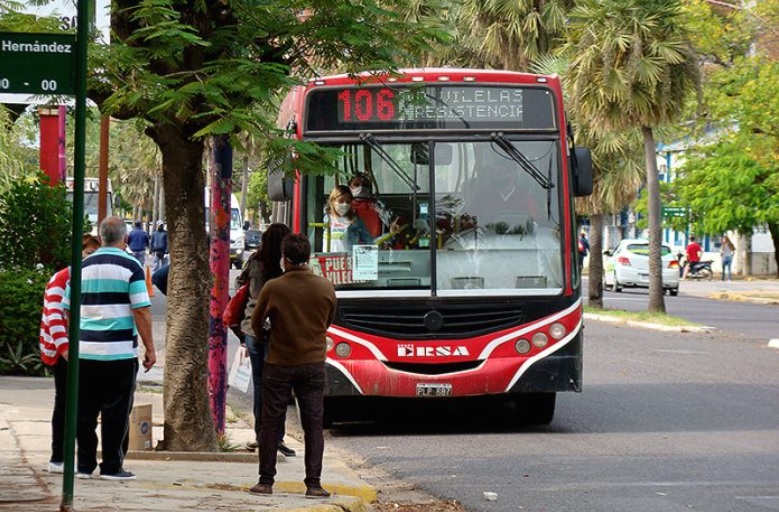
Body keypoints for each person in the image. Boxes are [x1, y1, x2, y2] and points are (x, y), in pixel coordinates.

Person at [63, 216, 157, 480]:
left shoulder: (81, 267)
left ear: (101, 236)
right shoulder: (132, 266)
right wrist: (150, 348)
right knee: (116, 412)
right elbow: (141, 308)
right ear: (125, 238)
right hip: (119, 354)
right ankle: (112, 466)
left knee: (84, 411)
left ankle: (83, 465)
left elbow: (68, 310)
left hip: (84, 352)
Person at [249, 233, 336, 498]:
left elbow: (255, 322)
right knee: (313, 424)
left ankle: (265, 481)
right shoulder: (325, 287)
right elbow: (328, 320)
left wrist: (268, 336)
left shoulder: (274, 287)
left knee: (270, 421)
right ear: (308, 258)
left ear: (284, 258)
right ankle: (314, 483)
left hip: (279, 362)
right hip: (312, 364)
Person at [39, 234, 101, 474]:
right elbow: (54, 317)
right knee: (65, 403)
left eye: (95, 254)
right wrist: (66, 350)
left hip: (81, 350)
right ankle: (58, 457)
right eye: (88, 254)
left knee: (78, 404)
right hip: (62, 352)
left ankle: (70, 457)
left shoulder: (85, 277)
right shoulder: (63, 278)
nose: (91, 259)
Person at [236, 223, 296, 457]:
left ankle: (262, 435)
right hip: (281, 333)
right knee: (279, 386)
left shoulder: (255, 262)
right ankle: (277, 436)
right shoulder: (286, 266)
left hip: (253, 329)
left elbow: (240, 286)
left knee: (260, 385)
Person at [324, 185, 373, 252]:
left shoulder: (355, 221)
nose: (345, 204)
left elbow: (370, 242)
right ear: (333, 201)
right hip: (325, 259)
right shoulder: (325, 218)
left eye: (348, 201)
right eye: (341, 201)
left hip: (348, 259)